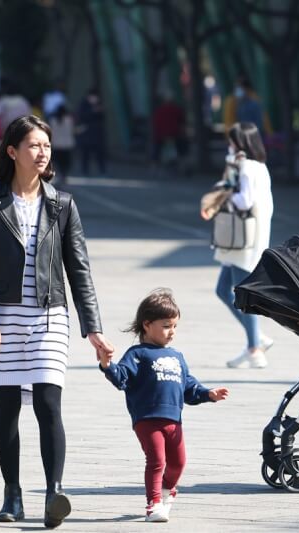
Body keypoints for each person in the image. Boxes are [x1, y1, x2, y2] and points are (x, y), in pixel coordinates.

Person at [0, 115, 114, 527]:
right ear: (12, 151)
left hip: (49, 316)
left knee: (49, 405)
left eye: (46, 145)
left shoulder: (62, 204)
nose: (42, 151)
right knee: (7, 407)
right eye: (33, 144)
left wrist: (94, 328)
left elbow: (79, 269)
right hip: (2, 317)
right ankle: (12, 495)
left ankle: (54, 493)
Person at [99, 289, 229, 522]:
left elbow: (189, 386)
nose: (172, 332)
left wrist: (208, 393)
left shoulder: (177, 356)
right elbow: (122, 378)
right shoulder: (137, 354)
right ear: (147, 325)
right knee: (157, 461)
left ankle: (168, 490)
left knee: (179, 463)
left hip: (174, 420)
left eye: (175, 326)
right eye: (166, 326)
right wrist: (108, 365)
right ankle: (154, 503)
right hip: (147, 420)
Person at [200, 122, 274, 369]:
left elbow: (244, 201)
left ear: (240, 143)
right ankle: (256, 338)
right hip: (249, 237)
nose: (229, 145)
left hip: (242, 239)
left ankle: (255, 348)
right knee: (224, 289)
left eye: (232, 141)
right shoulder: (260, 167)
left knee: (242, 293)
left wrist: (224, 195)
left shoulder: (245, 167)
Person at [151, 92, 189, 171]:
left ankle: (155, 163)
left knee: (157, 147)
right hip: (174, 132)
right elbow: (182, 121)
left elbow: (156, 122)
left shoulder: (160, 110)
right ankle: (182, 162)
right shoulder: (176, 109)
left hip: (163, 133)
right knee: (181, 146)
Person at [76, 87, 107, 176]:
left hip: (97, 133)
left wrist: (99, 111)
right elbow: (81, 117)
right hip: (86, 133)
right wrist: (92, 111)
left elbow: (102, 117)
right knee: (86, 153)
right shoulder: (83, 104)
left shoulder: (98, 104)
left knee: (100, 153)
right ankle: (85, 170)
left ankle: (102, 170)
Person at [49, 104, 76, 184]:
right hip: (67, 144)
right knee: (66, 161)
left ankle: (60, 175)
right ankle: (65, 175)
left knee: (58, 161)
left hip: (56, 144)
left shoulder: (52, 121)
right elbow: (72, 130)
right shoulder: (69, 120)